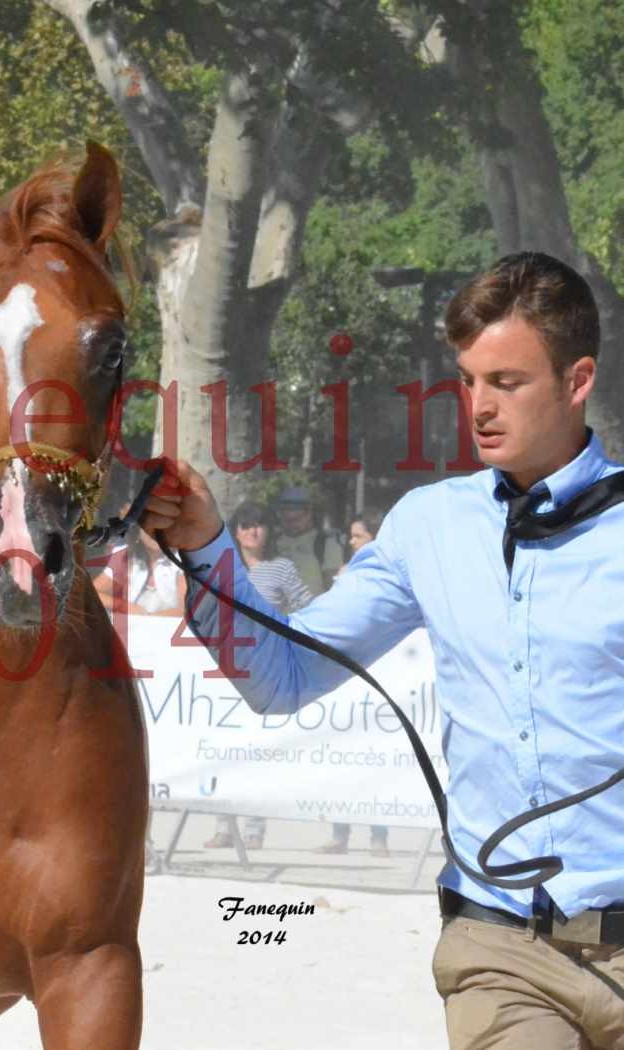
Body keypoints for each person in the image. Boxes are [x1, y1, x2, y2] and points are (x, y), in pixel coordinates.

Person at [140, 252, 624, 1049]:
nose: (480, 407)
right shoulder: (426, 526)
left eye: (507, 382)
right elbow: (281, 677)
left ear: (577, 382)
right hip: (499, 952)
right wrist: (206, 550)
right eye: (469, 380)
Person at [207, 500, 313, 850]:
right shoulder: (223, 567)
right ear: (235, 532)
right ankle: (224, 826)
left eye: (260, 525)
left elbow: (306, 608)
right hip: (222, 671)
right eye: (247, 525)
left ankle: (253, 829)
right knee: (223, 751)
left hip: (264, 670)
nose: (254, 531)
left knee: (255, 754)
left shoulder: (281, 568)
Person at [319, 506, 391, 857]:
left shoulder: (393, 576)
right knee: (343, 758)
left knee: (378, 758)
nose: (351, 541)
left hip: (382, 680)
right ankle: (340, 833)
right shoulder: (345, 572)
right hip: (346, 679)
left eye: (358, 536)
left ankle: (380, 837)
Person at [93, 506, 186, 615]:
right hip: (132, 627)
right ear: (138, 532)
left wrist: (147, 618)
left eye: (162, 528)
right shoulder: (125, 555)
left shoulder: (183, 559)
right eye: (150, 528)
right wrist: (122, 605)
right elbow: (92, 592)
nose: (157, 534)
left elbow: (186, 610)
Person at [273, 486, 343, 595]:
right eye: (287, 520)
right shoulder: (272, 543)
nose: (292, 525)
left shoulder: (325, 544)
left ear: (309, 514)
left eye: (297, 520)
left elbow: (335, 589)